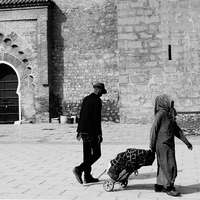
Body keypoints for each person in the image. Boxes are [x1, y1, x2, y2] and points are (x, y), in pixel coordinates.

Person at [149, 94, 193, 197]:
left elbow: (177, 130)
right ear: (163, 103)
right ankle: (169, 187)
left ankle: (160, 184)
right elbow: (153, 131)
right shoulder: (160, 115)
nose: (172, 104)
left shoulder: (169, 115)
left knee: (163, 164)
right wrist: (152, 146)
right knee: (169, 165)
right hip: (162, 145)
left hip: (169, 145)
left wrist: (187, 142)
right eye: (170, 102)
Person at [73, 82, 107, 184]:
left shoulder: (86, 99)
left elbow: (81, 115)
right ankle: (79, 169)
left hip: (83, 131)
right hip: (91, 132)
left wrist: (79, 131)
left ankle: (87, 177)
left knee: (87, 155)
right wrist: (99, 134)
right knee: (97, 154)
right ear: (100, 90)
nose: (101, 95)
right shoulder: (97, 101)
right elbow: (96, 119)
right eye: (102, 92)